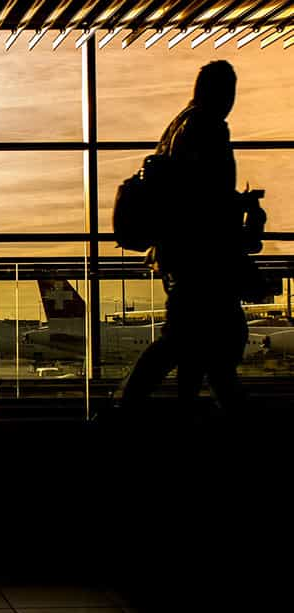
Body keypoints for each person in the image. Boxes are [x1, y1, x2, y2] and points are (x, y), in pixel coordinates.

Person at [116, 60, 261, 416]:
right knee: (203, 342)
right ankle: (129, 408)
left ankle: (143, 408)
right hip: (202, 258)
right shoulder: (207, 128)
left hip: (181, 255)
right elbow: (203, 199)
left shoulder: (179, 127)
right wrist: (237, 211)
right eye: (229, 91)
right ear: (223, 92)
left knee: (194, 342)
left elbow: (187, 195)